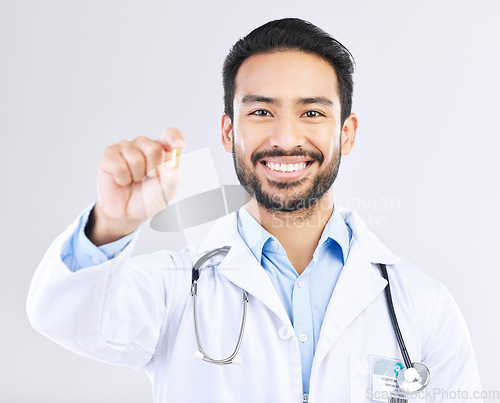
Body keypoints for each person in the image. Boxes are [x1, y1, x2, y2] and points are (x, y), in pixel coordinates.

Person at [27, 18, 482, 402]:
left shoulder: (421, 306)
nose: (286, 138)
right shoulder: (175, 288)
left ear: (347, 133)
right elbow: (66, 317)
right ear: (229, 131)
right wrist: (113, 223)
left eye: (312, 113)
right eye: (261, 112)